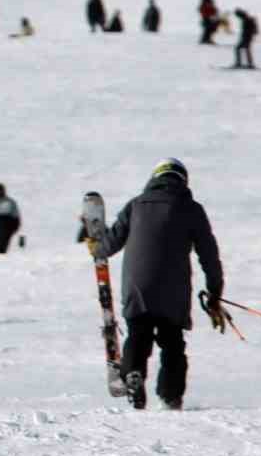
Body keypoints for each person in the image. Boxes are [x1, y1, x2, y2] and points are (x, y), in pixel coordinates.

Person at [96, 158, 225, 410]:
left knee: (138, 333)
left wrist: (96, 245)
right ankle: (170, 396)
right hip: (174, 290)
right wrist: (215, 292)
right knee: (172, 342)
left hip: (137, 284)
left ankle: (133, 372)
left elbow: (108, 247)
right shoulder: (191, 209)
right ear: (183, 180)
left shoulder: (135, 205)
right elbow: (209, 254)